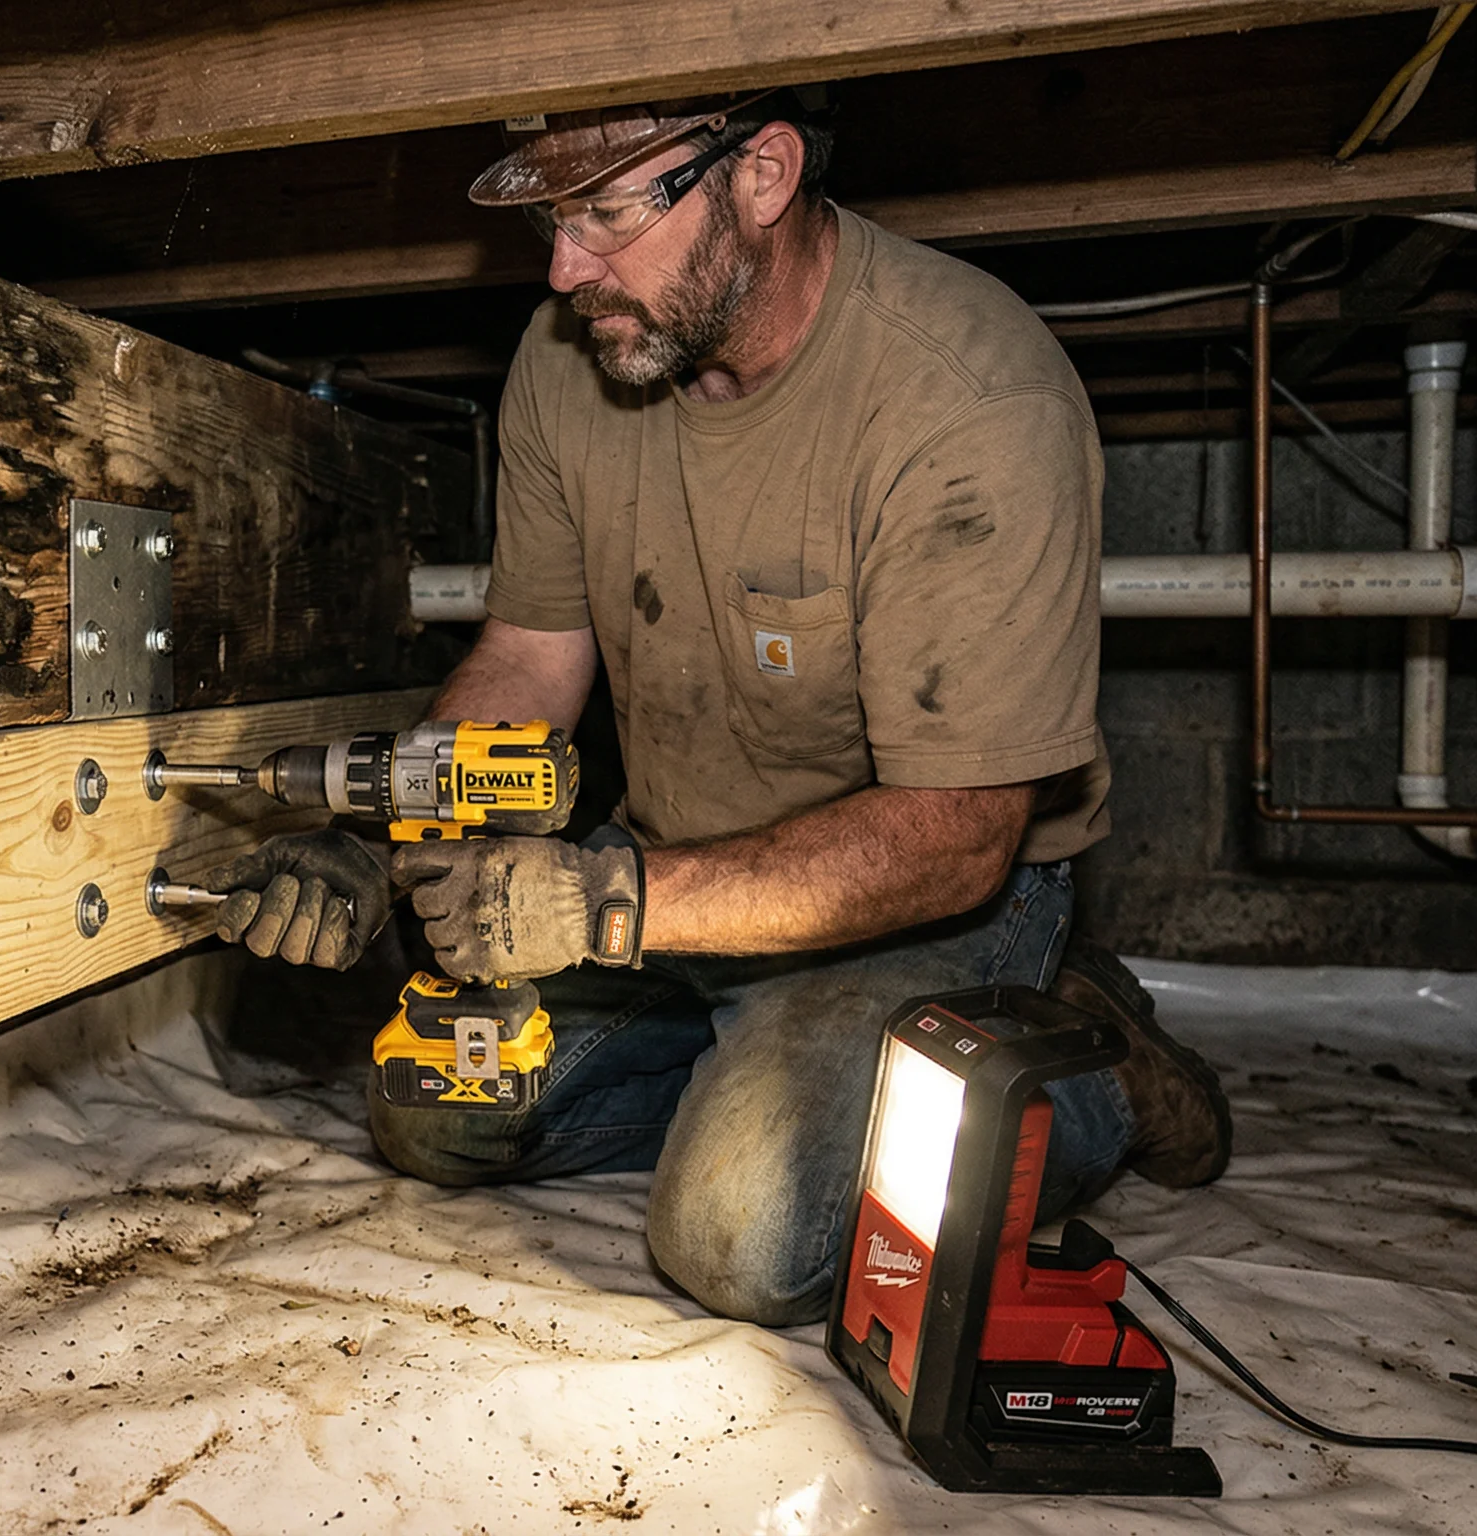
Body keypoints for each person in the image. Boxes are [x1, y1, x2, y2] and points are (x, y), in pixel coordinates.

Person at [204, 93, 1230, 1326]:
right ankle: (759, 1066)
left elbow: (956, 833)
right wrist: (384, 825)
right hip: (667, 867)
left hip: (923, 906)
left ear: (761, 174)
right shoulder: (567, 357)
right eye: (550, 218)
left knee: (741, 1240)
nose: (563, 268)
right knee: (437, 1112)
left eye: (602, 213)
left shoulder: (968, 397)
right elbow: (530, 659)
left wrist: (606, 907)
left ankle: (1086, 1062)